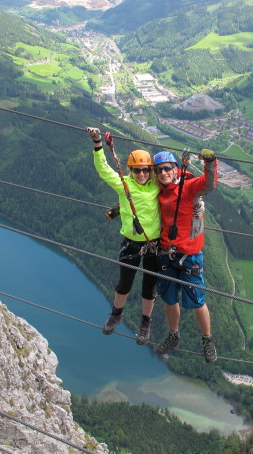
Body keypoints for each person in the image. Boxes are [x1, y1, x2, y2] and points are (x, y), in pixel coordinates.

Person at [87, 127, 161, 345]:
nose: (141, 174)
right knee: (124, 284)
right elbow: (103, 170)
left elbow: (176, 181)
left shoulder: (157, 186)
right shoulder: (124, 185)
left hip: (154, 245)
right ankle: (116, 314)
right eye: (137, 170)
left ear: (151, 171)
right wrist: (98, 144)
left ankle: (145, 322)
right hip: (131, 243)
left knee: (149, 287)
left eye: (145, 170)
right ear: (131, 170)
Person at [153, 148, 218, 363]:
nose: (163, 173)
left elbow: (208, 184)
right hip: (167, 253)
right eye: (159, 170)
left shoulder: (188, 187)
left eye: (167, 168)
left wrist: (210, 162)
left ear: (175, 169)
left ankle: (207, 340)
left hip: (189, 254)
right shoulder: (158, 191)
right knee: (169, 300)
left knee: (198, 301)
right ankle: (173, 335)